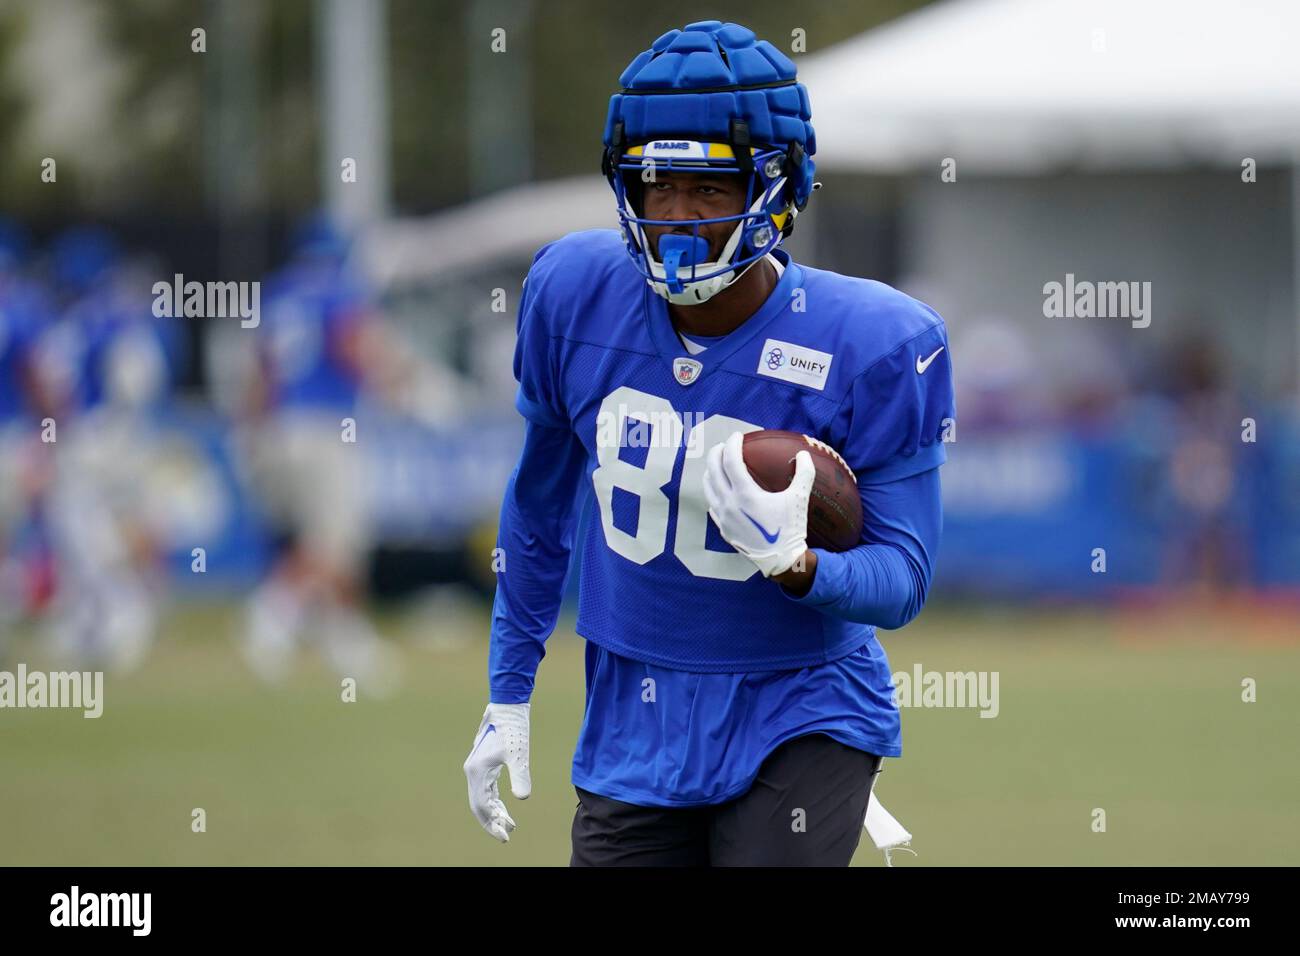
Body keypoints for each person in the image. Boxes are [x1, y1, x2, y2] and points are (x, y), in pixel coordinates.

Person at [464, 20, 954, 866]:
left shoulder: (872, 339)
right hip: (633, 718)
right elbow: (540, 511)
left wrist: (802, 567)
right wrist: (509, 687)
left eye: (709, 188)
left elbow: (903, 579)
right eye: (656, 186)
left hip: (801, 710)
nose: (678, 217)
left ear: (777, 188)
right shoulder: (572, 293)